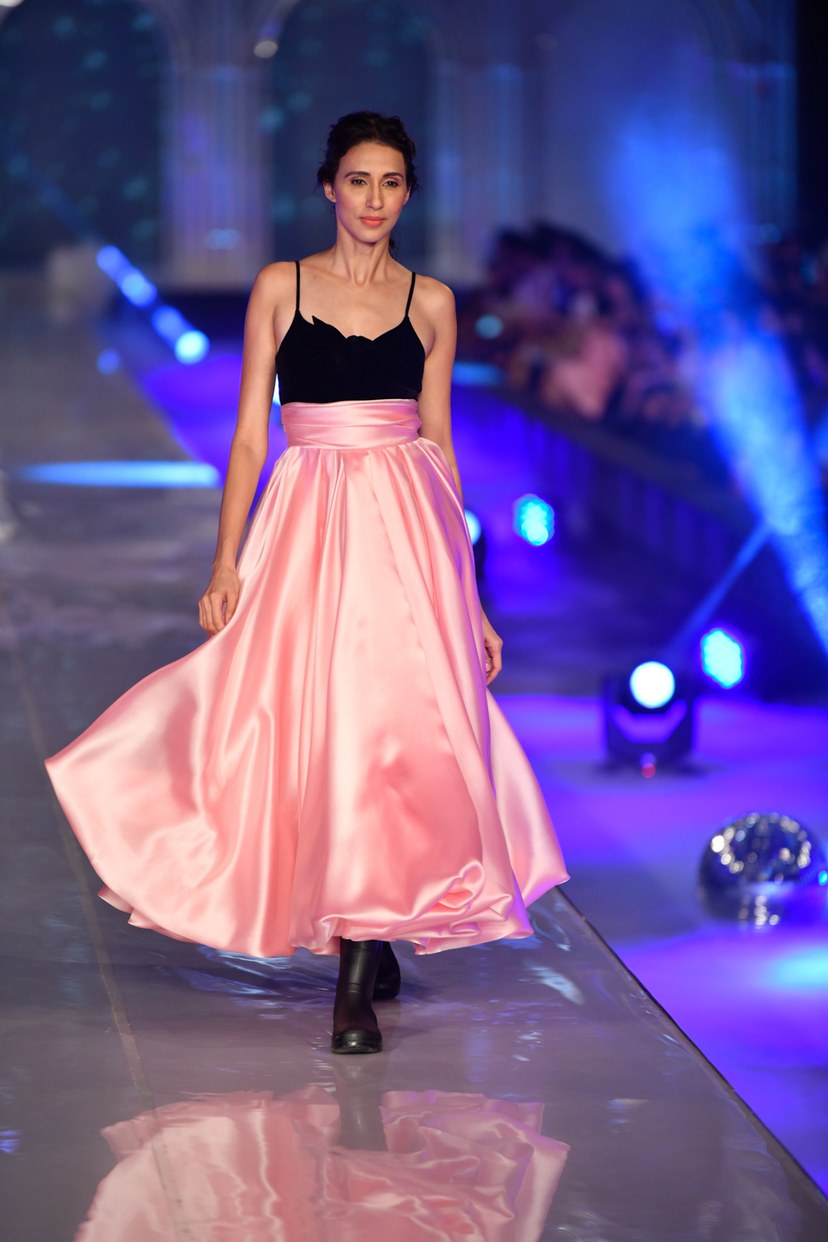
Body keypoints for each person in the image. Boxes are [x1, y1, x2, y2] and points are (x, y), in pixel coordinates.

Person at [45, 111, 568, 1055]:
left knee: (400, 728)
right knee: (314, 724)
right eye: (358, 181)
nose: (374, 199)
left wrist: (472, 597)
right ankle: (364, 932)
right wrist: (225, 561)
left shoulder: (433, 302)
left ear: (409, 194)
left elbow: (440, 448)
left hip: (408, 530)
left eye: (392, 183)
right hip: (309, 521)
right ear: (330, 187)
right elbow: (251, 435)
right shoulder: (280, 286)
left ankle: (359, 969)